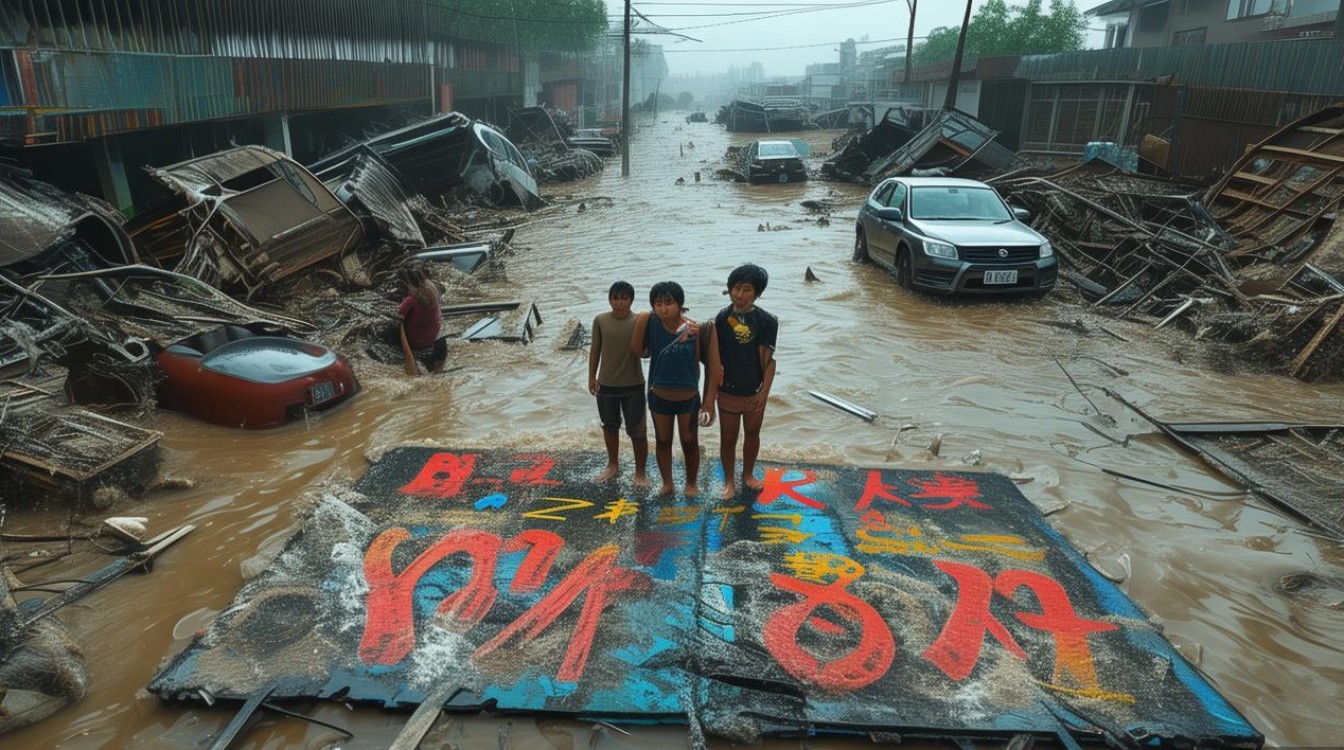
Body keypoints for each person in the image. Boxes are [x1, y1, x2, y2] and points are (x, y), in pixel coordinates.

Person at [631, 281, 715, 497]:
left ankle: (691, 483)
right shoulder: (649, 321)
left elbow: (705, 365)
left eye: (669, 303)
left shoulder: (694, 328)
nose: (663, 308)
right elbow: (638, 350)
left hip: (688, 396)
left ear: (680, 304)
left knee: (690, 442)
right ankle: (667, 483)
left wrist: (708, 401)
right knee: (663, 440)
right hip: (659, 394)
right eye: (658, 304)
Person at [706, 263, 777, 499]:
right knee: (727, 437)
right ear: (729, 289)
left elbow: (769, 362)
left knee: (753, 432)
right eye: (736, 288)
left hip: (755, 388)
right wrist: (711, 395)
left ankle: (747, 474)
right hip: (728, 389)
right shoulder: (721, 318)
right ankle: (729, 481)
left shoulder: (767, 321)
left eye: (747, 289)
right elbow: (713, 360)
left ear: (757, 293)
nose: (740, 295)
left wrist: (763, 394)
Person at [588, 281, 649, 486]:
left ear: (631, 300)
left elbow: (647, 349)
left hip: (634, 385)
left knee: (638, 432)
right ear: (610, 299)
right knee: (610, 426)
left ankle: (640, 473)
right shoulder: (600, 320)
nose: (619, 302)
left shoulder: (639, 320)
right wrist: (591, 377)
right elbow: (595, 350)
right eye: (615, 298)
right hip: (606, 385)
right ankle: (613, 464)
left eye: (624, 298)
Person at [396, 262, 445, 376]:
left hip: (418, 347)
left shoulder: (410, 301)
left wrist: (410, 363)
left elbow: (398, 323)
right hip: (438, 343)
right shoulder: (432, 288)